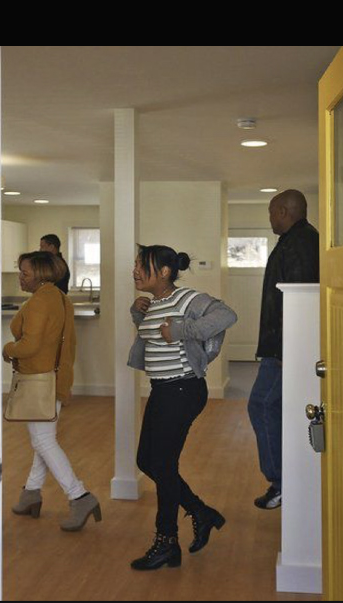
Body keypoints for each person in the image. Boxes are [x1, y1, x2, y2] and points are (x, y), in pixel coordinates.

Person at [126, 243, 237, 570]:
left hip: (183, 389)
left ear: (163, 272)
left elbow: (227, 315)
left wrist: (182, 329)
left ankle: (166, 541)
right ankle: (202, 513)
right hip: (162, 390)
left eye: (140, 265)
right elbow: (155, 340)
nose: (134, 270)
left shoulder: (185, 298)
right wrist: (138, 314)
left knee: (161, 463)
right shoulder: (154, 302)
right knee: (147, 460)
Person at [4, 251, 100, 531]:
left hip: (38, 379)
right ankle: (31, 494)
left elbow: (29, 345)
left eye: (25, 273)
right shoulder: (59, 297)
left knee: (43, 441)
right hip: (55, 378)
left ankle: (79, 495)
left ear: (42, 274)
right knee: (42, 439)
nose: (21, 277)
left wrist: (8, 350)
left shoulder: (39, 302)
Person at [248, 190, 320, 511]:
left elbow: (298, 303)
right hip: (283, 347)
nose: (269, 218)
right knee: (274, 408)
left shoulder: (300, 245)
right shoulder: (297, 241)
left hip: (284, 349)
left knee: (261, 405)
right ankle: (289, 480)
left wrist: (284, 350)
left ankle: (281, 482)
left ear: (283, 211)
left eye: (270, 212)